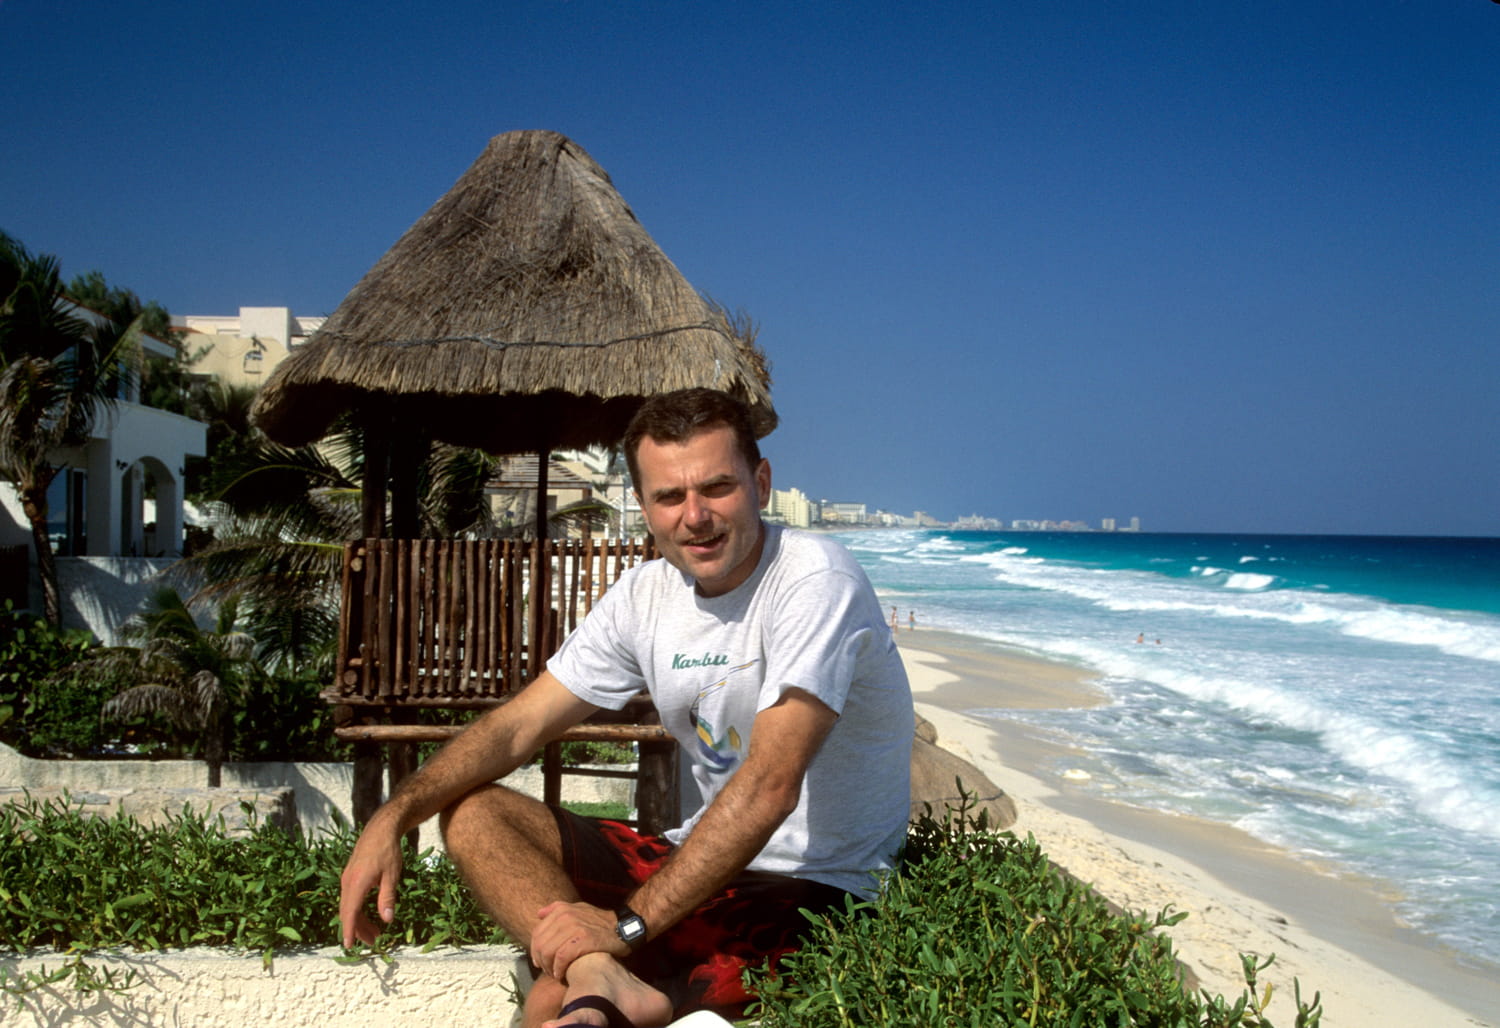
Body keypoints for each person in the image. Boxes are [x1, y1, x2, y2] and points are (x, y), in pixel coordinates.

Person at [339, 388, 914, 1028]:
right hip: (691, 862)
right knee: (476, 814)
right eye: (670, 496)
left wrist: (626, 925)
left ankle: (600, 992)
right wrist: (394, 815)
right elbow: (516, 726)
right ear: (643, 506)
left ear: (761, 482)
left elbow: (771, 787)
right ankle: (598, 977)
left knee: (548, 1003)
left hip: (816, 888)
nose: (694, 516)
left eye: (716, 488)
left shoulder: (814, 580)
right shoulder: (646, 595)